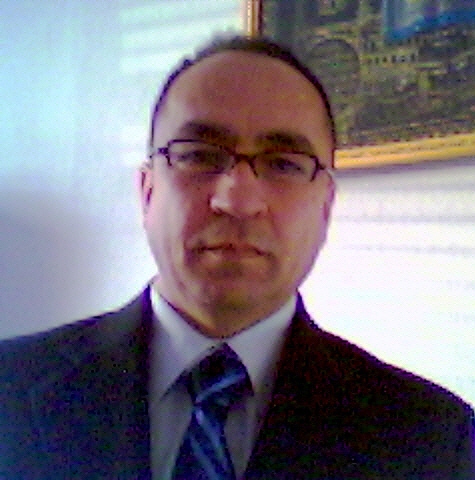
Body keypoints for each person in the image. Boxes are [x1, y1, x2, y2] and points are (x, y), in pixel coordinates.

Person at [0, 35, 473, 480]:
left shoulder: (433, 440)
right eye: (199, 155)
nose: (238, 201)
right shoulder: (10, 389)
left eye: (284, 164)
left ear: (326, 207)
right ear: (147, 192)